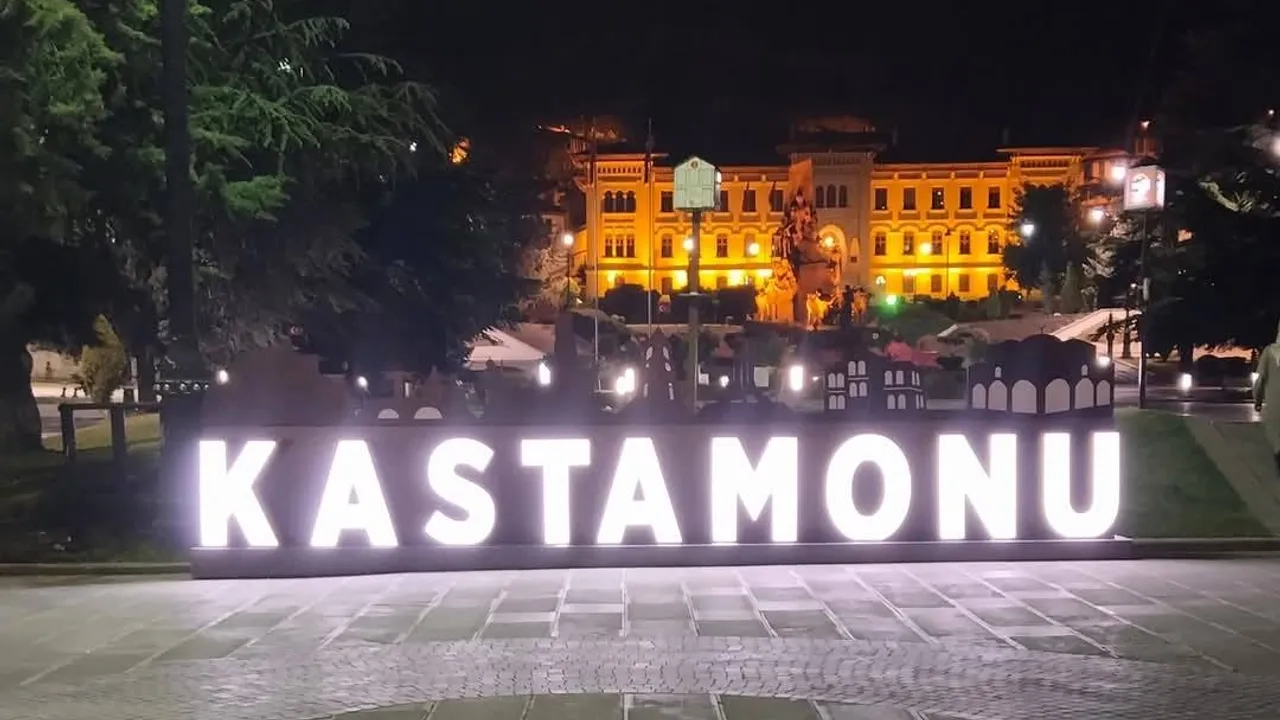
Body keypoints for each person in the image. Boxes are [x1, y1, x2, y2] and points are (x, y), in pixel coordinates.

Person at [1254, 320, 1280, 474]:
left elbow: (1260, 380)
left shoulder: (1270, 352)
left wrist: (1257, 400)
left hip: (1275, 406)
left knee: (1276, 439)